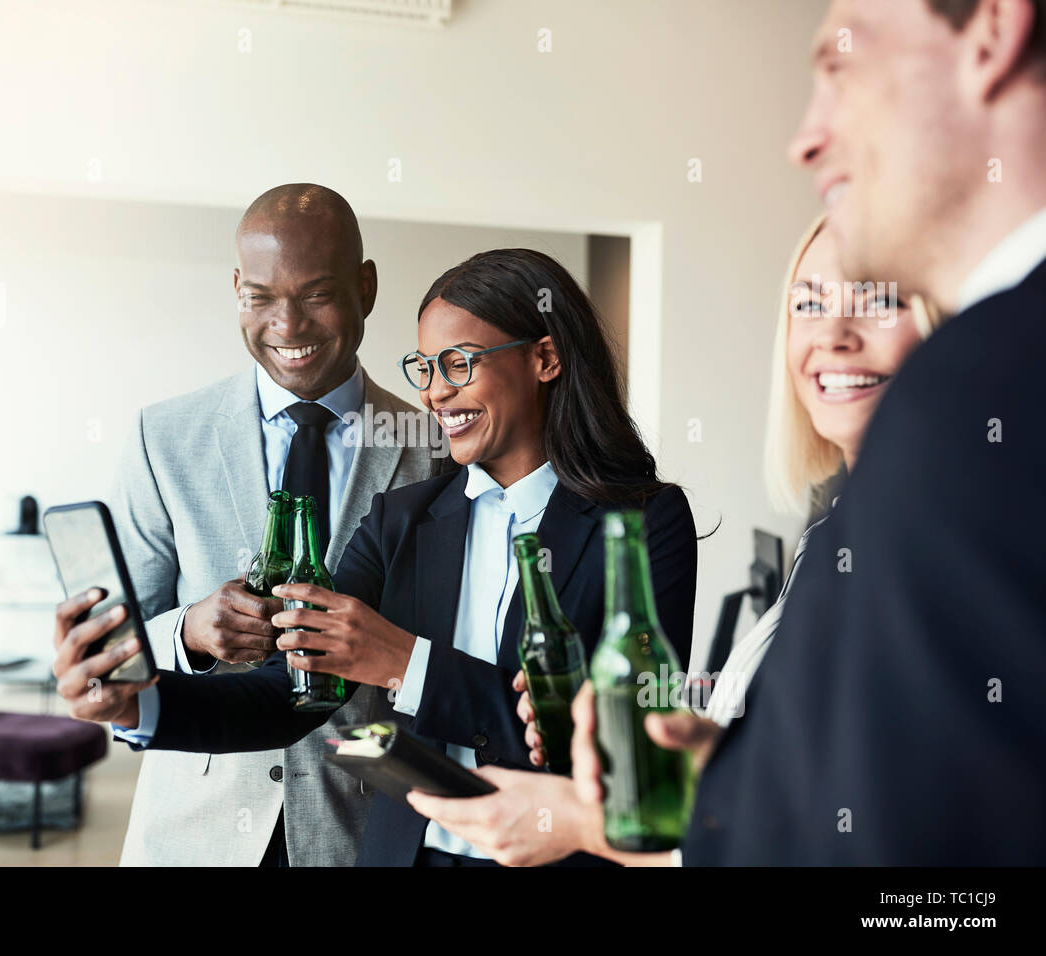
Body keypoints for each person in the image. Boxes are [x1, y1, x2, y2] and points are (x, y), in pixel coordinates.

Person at [417, 0, 1046, 866]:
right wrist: (714, 766)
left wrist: (602, 822)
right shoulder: (843, 516)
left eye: (841, 69)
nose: (806, 139)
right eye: (808, 305)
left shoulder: (974, 401)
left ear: (992, 32)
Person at [60, 247, 698, 866]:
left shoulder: (644, 522)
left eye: (458, 364)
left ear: (545, 358)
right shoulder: (404, 517)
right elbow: (284, 693)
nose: (435, 394)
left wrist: (404, 661)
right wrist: (136, 705)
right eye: (424, 369)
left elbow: (622, 744)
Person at [404, 219, 939, 863]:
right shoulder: (835, 535)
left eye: (880, 301)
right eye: (808, 304)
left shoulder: (947, 545)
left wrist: (583, 822)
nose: (834, 334)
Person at [51, 183, 438, 866]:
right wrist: (192, 633)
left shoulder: (432, 447)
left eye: (317, 294)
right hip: (193, 826)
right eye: (261, 297)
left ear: (366, 287)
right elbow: (123, 629)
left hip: (360, 827)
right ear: (237, 288)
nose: (287, 326)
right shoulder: (163, 437)